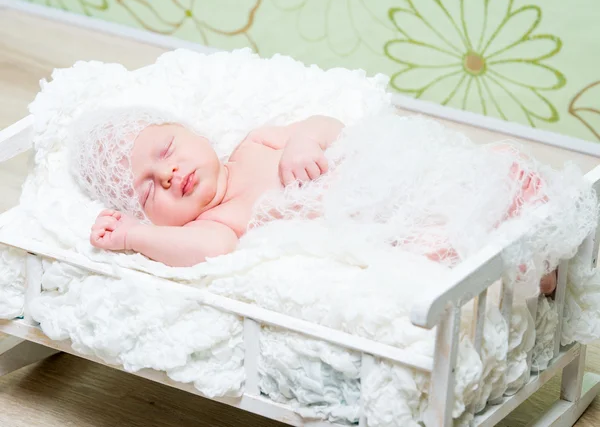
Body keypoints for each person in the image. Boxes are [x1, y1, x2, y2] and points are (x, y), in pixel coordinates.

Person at [69, 107, 557, 293]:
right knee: (436, 241)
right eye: (149, 189)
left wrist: (305, 143)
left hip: (385, 175)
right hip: (376, 219)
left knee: (487, 168)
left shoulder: (257, 143)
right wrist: (135, 237)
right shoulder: (219, 222)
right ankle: (529, 262)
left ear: (192, 132)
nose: (169, 174)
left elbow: (330, 126)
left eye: (166, 152)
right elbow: (205, 253)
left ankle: (534, 225)